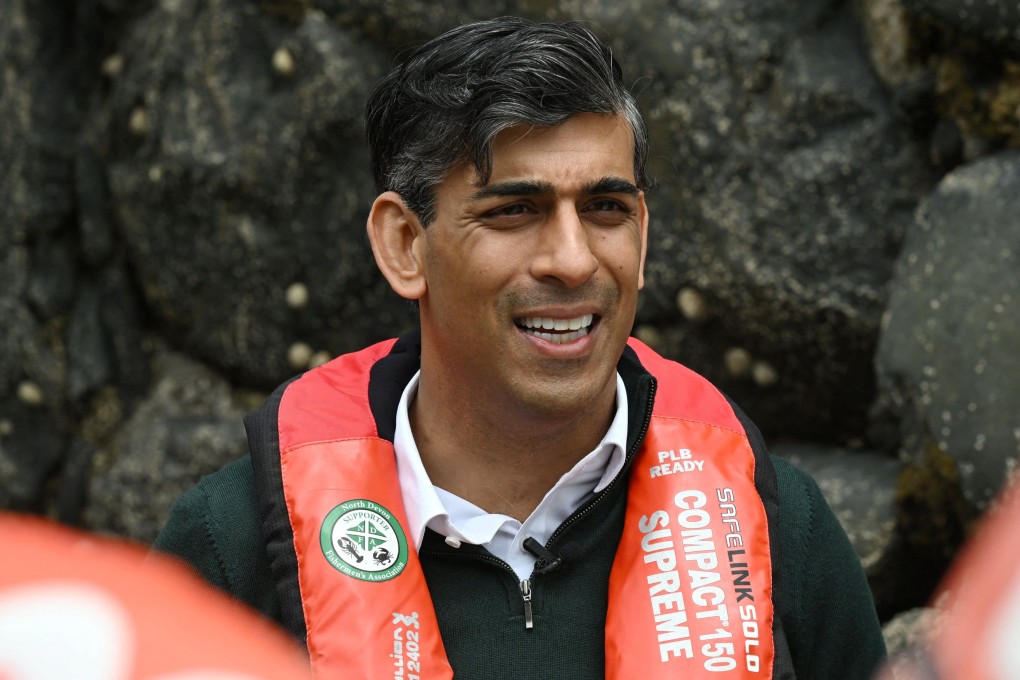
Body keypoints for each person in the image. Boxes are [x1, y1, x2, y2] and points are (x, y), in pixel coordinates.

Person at [153, 16, 886, 679]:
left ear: (643, 237)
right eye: (514, 211)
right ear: (405, 246)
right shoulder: (233, 548)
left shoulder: (782, 528)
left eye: (605, 208)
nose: (572, 260)